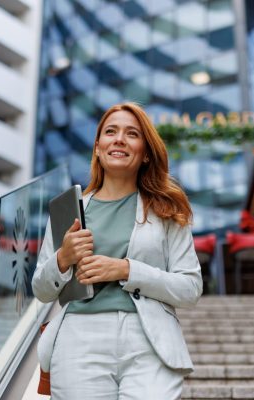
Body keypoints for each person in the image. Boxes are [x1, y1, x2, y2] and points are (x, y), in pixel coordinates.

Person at [32, 102, 203, 399]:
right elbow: (41, 290)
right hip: (79, 339)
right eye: (110, 132)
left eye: (132, 133)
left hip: (149, 339)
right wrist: (63, 259)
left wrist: (127, 269)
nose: (119, 139)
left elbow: (190, 287)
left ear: (146, 153)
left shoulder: (166, 211)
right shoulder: (70, 211)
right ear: (98, 148)